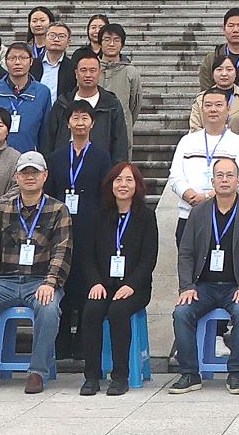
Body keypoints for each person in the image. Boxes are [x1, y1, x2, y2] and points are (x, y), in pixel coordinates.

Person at [0, 151, 71, 394]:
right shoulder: (2, 209)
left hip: (40, 281)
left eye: (35, 172)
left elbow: (62, 251)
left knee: (48, 309)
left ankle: (37, 372)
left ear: (45, 176)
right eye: (24, 172)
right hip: (5, 280)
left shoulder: (58, 209)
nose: (29, 177)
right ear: (16, 177)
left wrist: (50, 282)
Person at [167, 157, 239, 395]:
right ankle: (189, 373)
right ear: (212, 181)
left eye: (229, 175)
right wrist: (187, 286)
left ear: (238, 181)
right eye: (219, 175)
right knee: (181, 313)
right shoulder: (198, 212)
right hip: (204, 286)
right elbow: (186, 253)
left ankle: (236, 372)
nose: (224, 180)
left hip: (236, 286)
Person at [76, 162, 155, 396]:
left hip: (135, 287)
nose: (123, 185)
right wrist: (95, 282)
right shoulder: (97, 216)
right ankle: (91, 376)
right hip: (103, 284)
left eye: (129, 180)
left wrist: (131, 285)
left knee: (119, 311)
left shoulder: (146, 217)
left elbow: (148, 259)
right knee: (91, 311)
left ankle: (120, 376)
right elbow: (87, 255)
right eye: (118, 180)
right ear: (110, 185)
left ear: (137, 185)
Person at [169, 88, 239, 229]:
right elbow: (175, 175)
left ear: (228, 108)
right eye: (208, 105)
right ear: (202, 109)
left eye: (218, 105)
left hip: (225, 216)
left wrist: (207, 197)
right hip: (188, 215)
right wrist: (189, 195)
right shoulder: (187, 141)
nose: (213, 109)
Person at [47, 52, 130, 164]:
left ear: (100, 73)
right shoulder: (63, 103)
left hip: (100, 167)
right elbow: (49, 139)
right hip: (65, 165)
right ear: (76, 74)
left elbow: (120, 143)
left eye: (92, 70)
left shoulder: (111, 104)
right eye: (83, 70)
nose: (88, 75)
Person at [0, 43, 55, 154]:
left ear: (31, 61)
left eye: (23, 58)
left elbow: (45, 132)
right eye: (12, 58)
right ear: (6, 62)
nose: (17, 62)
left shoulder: (42, 92)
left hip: (29, 157)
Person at [187, 55, 239, 141]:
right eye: (219, 69)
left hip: (236, 147)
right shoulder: (201, 99)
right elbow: (195, 127)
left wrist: (235, 144)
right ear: (213, 73)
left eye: (229, 70)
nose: (224, 74)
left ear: (236, 73)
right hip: (206, 147)